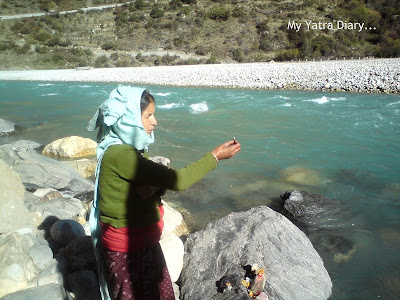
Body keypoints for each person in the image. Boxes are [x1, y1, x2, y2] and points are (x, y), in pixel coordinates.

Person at [88, 85, 241, 300]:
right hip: (128, 249)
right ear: (129, 117)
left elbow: (152, 183)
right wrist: (214, 156)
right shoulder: (122, 155)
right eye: (148, 115)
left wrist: (156, 187)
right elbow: (177, 180)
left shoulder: (122, 149)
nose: (155, 122)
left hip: (143, 242)